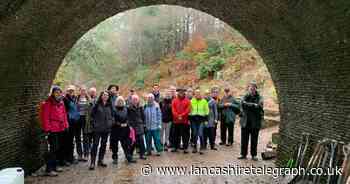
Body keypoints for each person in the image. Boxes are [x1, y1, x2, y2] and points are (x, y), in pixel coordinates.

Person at [41, 86, 68, 176]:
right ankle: (49, 169)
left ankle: (54, 166)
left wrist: (65, 125)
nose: (58, 94)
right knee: (53, 148)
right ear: (53, 93)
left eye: (59, 92)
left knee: (58, 148)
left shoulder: (61, 102)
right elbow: (45, 117)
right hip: (52, 129)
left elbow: (64, 115)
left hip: (60, 128)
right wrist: (47, 129)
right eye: (56, 92)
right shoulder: (48, 103)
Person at [238, 81, 264, 161]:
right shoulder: (245, 96)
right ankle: (243, 154)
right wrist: (253, 105)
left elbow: (258, 106)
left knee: (254, 140)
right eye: (250, 87)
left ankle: (254, 155)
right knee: (244, 139)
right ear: (249, 88)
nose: (252, 89)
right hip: (245, 121)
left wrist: (248, 104)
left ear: (256, 88)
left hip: (255, 122)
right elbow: (242, 103)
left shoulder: (260, 97)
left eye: (253, 87)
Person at [89, 91, 114, 170]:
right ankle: (92, 162)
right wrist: (94, 124)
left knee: (103, 145)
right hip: (97, 129)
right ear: (101, 96)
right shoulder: (97, 105)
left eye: (107, 95)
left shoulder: (110, 105)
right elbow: (91, 116)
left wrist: (111, 123)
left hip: (106, 129)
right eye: (104, 95)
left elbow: (113, 115)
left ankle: (100, 160)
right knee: (95, 145)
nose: (105, 96)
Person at [110, 96, 136, 164]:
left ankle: (128, 157)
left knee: (126, 145)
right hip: (115, 130)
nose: (120, 102)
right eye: (119, 101)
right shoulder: (114, 109)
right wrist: (119, 124)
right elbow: (112, 119)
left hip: (125, 130)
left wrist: (127, 123)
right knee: (114, 145)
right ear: (116, 102)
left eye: (121, 101)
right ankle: (115, 158)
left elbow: (129, 117)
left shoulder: (126, 109)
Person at [63, 85, 80, 164]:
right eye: (70, 91)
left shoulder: (74, 99)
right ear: (67, 91)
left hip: (73, 122)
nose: (71, 92)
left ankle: (70, 157)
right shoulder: (65, 99)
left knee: (71, 140)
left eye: (72, 91)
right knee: (67, 140)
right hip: (68, 122)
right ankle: (67, 158)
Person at [171, 88, 191, 154]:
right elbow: (173, 110)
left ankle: (185, 148)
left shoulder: (188, 101)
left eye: (182, 92)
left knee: (185, 135)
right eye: (180, 92)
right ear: (178, 93)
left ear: (184, 93)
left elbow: (188, 110)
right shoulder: (174, 100)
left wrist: (181, 115)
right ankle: (175, 147)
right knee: (175, 135)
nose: (181, 93)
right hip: (176, 121)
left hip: (184, 121)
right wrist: (177, 116)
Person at [190, 89, 209, 154]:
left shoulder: (204, 101)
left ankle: (201, 147)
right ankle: (195, 147)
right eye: (196, 93)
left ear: (201, 94)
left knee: (200, 133)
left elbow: (207, 111)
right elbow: (189, 110)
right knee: (195, 133)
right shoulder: (192, 101)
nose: (197, 95)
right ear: (194, 94)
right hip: (193, 119)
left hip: (201, 119)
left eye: (199, 93)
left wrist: (206, 120)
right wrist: (189, 118)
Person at [128, 95, 147, 160]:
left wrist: (144, 124)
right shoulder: (129, 108)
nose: (135, 101)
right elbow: (127, 117)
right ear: (131, 100)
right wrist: (129, 125)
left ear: (138, 100)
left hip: (139, 125)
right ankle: (130, 154)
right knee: (133, 141)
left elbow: (143, 116)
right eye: (134, 99)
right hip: (132, 127)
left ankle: (142, 154)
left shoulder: (140, 107)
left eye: (136, 99)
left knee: (141, 140)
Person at [76, 86, 90, 162]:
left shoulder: (88, 99)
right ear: (79, 91)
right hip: (78, 119)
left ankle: (86, 154)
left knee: (86, 137)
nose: (83, 91)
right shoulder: (76, 98)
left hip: (85, 119)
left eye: (84, 90)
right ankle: (79, 154)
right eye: (81, 90)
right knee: (77, 137)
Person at [83, 87, 97, 159]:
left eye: (94, 92)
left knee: (94, 139)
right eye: (91, 92)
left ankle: (92, 153)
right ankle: (86, 154)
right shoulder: (85, 100)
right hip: (87, 122)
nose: (92, 93)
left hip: (95, 123)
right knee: (86, 139)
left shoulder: (97, 101)